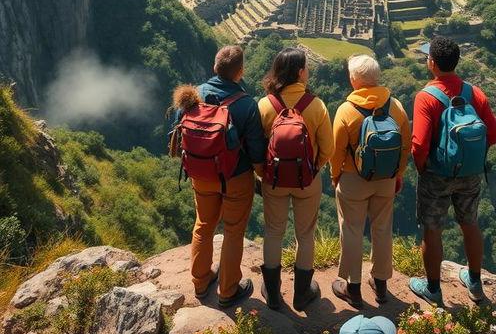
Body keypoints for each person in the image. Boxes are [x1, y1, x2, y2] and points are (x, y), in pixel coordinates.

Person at [409, 36, 496, 307]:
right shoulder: (475, 94)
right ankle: (474, 282)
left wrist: (424, 167)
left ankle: (433, 289)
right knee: (470, 224)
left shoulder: (426, 97)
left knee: (432, 229)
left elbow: (419, 145)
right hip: (470, 174)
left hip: (436, 175)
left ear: (432, 64)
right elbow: (494, 135)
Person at [173, 44, 266, 307]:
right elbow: (257, 150)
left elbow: (177, 130)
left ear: (215, 67)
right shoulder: (247, 105)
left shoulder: (194, 96)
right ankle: (228, 290)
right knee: (233, 231)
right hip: (236, 176)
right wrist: (262, 176)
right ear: (240, 72)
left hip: (201, 173)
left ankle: (201, 283)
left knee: (203, 225)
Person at [331, 54, 410, 308]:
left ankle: (352, 289)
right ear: (377, 77)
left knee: (352, 230)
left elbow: (336, 152)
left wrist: (336, 177)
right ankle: (381, 284)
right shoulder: (395, 106)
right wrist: (398, 175)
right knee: (382, 229)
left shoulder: (346, 110)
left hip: (354, 179)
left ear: (354, 80)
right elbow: (405, 146)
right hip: (386, 178)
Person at [258, 47, 334, 311]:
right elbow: (329, 148)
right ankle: (302, 294)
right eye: (306, 67)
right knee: (305, 235)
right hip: (307, 181)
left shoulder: (266, 104)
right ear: (301, 72)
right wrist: (314, 168)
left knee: (273, 232)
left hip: (274, 180)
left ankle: (273, 293)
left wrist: (262, 172)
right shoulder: (316, 106)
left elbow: (256, 147)